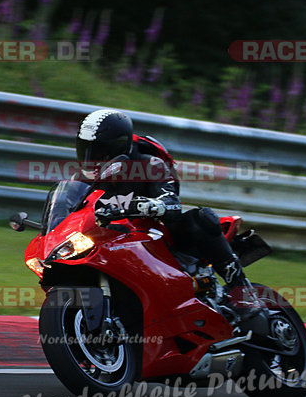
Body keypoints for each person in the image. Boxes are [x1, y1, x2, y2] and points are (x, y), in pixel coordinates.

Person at [75, 108, 261, 321]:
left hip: (158, 235)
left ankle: (241, 290)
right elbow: (73, 210)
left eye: (97, 152)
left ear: (116, 147)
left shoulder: (149, 165)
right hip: (115, 239)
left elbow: (171, 204)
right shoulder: (83, 180)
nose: (90, 158)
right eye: (85, 150)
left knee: (200, 219)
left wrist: (145, 206)